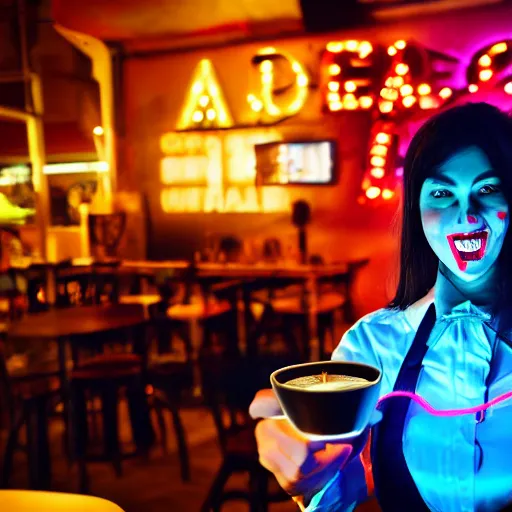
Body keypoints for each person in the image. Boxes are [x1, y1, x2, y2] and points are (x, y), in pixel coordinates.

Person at [249, 102, 512, 512]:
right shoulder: (374, 344)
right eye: (442, 193)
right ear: (417, 210)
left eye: (488, 189)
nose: (466, 214)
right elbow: (337, 494)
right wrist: (310, 475)